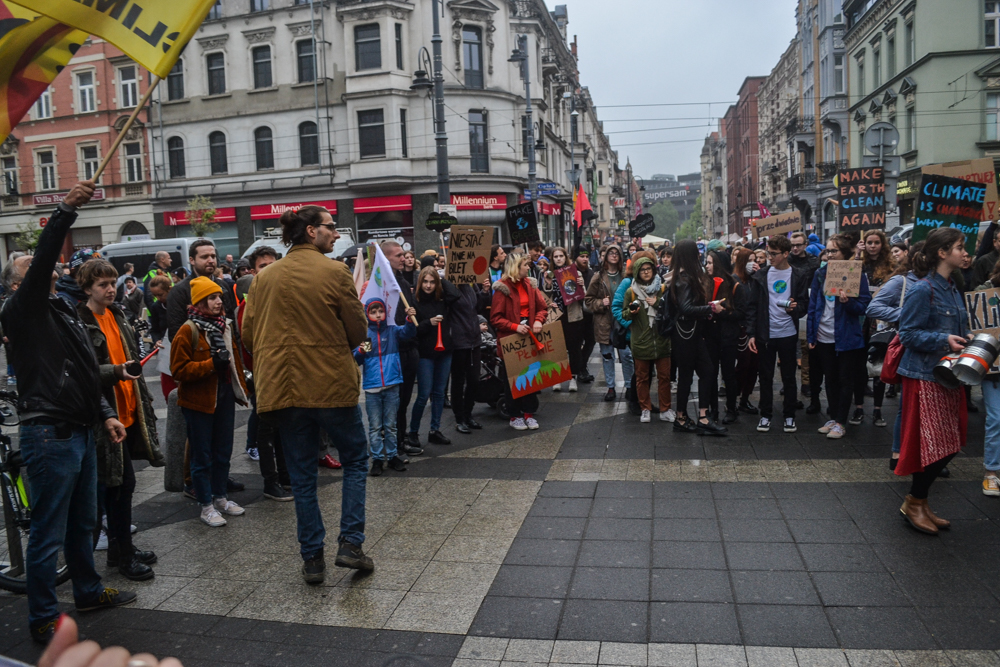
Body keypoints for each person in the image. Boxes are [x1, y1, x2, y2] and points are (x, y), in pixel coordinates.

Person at [0, 181, 136, 644]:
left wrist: (105, 413)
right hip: (49, 434)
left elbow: (82, 370)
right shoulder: (22, 308)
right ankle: (42, 615)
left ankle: (88, 591)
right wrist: (62, 211)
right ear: (19, 283)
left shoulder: (64, 310)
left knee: (83, 522)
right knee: (48, 531)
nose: (52, 268)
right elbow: (40, 267)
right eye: (33, 268)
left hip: (79, 429)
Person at [243, 205, 373, 582]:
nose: (335, 234)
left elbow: (248, 335)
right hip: (330, 385)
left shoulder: (264, 278)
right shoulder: (334, 271)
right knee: (354, 459)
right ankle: (350, 543)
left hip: (282, 389)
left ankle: (312, 558)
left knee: (301, 477)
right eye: (331, 228)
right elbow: (358, 331)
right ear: (312, 232)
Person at [76, 259, 163, 580]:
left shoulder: (117, 314)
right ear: (87, 288)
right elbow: (83, 374)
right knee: (118, 485)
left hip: (127, 412)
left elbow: (129, 360)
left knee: (121, 486)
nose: (110, 289)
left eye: (112, 283)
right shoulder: (81, 322)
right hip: (103, 417)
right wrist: (116, 372)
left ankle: (119, 549)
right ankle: (123, 555)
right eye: (102, 284)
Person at [896, 227, 970, 534]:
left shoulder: (953, 287)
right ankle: (915, 502)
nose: (965, 253)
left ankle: (919, 502)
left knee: (950, 443)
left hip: (948, 375)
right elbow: (907, 333)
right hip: (926, 375)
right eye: (959, 247)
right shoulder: (922, 289)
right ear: (942, 253)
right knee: (935, 445)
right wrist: (944, 338)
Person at [170, 277, 248, 528]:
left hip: (223, 395)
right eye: (212, 298)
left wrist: (241, 388)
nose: (219, 302)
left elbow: (234, 360)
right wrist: (210, 365)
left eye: (219, 297)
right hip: (198, 402)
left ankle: (221, 498)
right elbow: (178, 370)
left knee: (223, 451)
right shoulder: (188, 330)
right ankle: (206, 505)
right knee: (201, 455)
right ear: (200, 302)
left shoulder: (224, 325)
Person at [807, 235, 872, 440]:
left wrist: (848, 303)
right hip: (823, 335)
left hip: (846, 337)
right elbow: (813, 307)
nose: (829, 255)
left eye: (834, 251)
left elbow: (864, 306)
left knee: (845, 380)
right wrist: (811, 334)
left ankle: (841, 421)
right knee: (830, 379)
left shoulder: (856, 274)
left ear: (845, 254)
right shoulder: (820, 273)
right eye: (827, 251)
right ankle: (833, 417)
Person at [745, 234, 809, 433]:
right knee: (765, 376)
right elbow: (752, 307)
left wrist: (795, 309)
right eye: (768, 253)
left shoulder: (798, 275)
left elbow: (804, 304)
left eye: (773, 254)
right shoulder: (761, 276)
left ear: (786, 254)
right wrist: (751, 334)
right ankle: (766, 414)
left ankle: (789, 415)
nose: (769, 257)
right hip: (766, 333)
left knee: (789, 376)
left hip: (788, 333)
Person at [868, 243, 922, 468]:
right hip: (906, 347)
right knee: (906, 405)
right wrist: (905, 313)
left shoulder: (943, 283)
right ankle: (898, 453)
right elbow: (874, 308)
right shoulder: (902, 281)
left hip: (929, 351)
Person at [669, 240, 726, 434]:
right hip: (685, 334)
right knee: (687, 375)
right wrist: (710, 307)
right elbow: (685, 308)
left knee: (706, 371)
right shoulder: (684, 279)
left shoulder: (685, 277)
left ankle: (701, 416)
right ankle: (682, 417)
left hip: (690, 333)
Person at [355, 297, 416, 475]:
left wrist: (409, 320)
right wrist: (360, 350)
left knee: (390, 425)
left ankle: (392, 455)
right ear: (367, 314)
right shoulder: (366, 334)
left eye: (380, 311)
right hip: (373, 387)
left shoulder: (391, 330)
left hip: (391, 384)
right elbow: (357, 359)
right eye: (373, 312)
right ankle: (377, 459)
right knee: (375, 426)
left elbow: (407, 333)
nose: (378, 315)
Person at [490, 252, 548, 430]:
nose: (529, 267)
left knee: (530, 375)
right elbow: (495, 318)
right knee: (512, 379)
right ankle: (514, 415)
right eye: (525, 265)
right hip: (511, 340)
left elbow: (542, 307)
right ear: (516, 267)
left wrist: (538, 320)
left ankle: (529, 414)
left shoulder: (530, 285)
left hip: (529, 338)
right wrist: (515, 327)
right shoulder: (502, 289)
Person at [381, 240, 424, 457]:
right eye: (398, 255)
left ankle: (400, 436)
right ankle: (393, 441)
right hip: (393, 349)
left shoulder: (400, 279)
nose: (402, 258)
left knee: (405, 397)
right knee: (393, 400)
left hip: (409, 347)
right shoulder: (381, 283)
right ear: (386, 258)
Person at [409, 266, 458, 445]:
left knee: (439, 393)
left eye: (432, 282)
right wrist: (428, 323)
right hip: (425, 353)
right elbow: (413, 330)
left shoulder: (442, 299)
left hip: (444, 351)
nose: (428, 286)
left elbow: (455, 295)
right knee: (423, 395)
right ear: (420, 282)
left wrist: (442, 277)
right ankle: (413, 431)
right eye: (425, 282)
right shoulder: (414, 301)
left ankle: (434, 429)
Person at [621, 256, 673, 423]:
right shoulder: (631, 292)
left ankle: (665, 409)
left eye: (648, 269)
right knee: (642, 377)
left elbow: (671, 312)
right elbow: (624, 314)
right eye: (642, 270)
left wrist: (657, 303)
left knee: (664, 376)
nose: (646, 272)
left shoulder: (662, 289)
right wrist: (631, 312)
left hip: (661, 340)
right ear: (637, 272)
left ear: (653, 270)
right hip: (641, 341)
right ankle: (645, 408)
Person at [853, 229, 896, 426]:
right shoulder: (860, 263)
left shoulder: (890, 266)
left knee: (879, 363)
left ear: (882, 244)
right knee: (860, 365)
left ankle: (878, 409)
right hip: (861, 319)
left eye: (876, 242)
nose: (872, 246)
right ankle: (859, 407)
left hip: (880, 322)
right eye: (869, 242)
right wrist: (856, 255)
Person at [584, 244, 634, 402]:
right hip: (604, 323)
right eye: (610, 253)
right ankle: (611, 387)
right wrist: (601, 303)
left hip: (623, 323)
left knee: (626, 356)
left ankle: (629, 387)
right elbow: (588, 300)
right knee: (607, 356)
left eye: (616, 253)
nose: (613, 255)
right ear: (605, 257)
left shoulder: (626, 276)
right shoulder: (598, 276)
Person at [705, 249, 742, 424]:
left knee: (728, 374)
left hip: (728, 338)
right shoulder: (705, 283)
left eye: (710, 262)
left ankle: (731, 408)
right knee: (710, 374)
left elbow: (741, 313)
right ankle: (712, 409)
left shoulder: (734, 285)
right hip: (711, 336)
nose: (707, 266)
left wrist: (724, 312)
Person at [451, 276, 491, 434]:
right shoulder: (450, 287)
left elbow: (477, 307)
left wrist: (484, 292)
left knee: (474, 380)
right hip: (459, 341)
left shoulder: (470, 285)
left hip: (474, 340)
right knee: (458, 381)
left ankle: (468, 414)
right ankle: (459, 418)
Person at [544, 247, 586, 392]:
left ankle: (572, 378)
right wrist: (548, 285)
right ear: (552, 259)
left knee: (574, 348)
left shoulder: (575, 272)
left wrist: (581, 286)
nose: (558, 259)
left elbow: (584, 296)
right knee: (557, 349)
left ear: (565, 257)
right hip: (556, 315)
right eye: (555, 257)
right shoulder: (549, 274)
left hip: (573, 315)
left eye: (561, 256)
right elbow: (543, 298)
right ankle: (558, 378)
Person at [575, 251, 596, 383]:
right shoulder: (571, 272)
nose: (585, 259)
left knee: (591, 340)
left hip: (588, 314)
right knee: (576, 343)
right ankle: (579, 368)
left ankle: (582, 366)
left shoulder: (591, 273)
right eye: (581, 256)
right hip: (575, 314)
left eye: (587, 256)